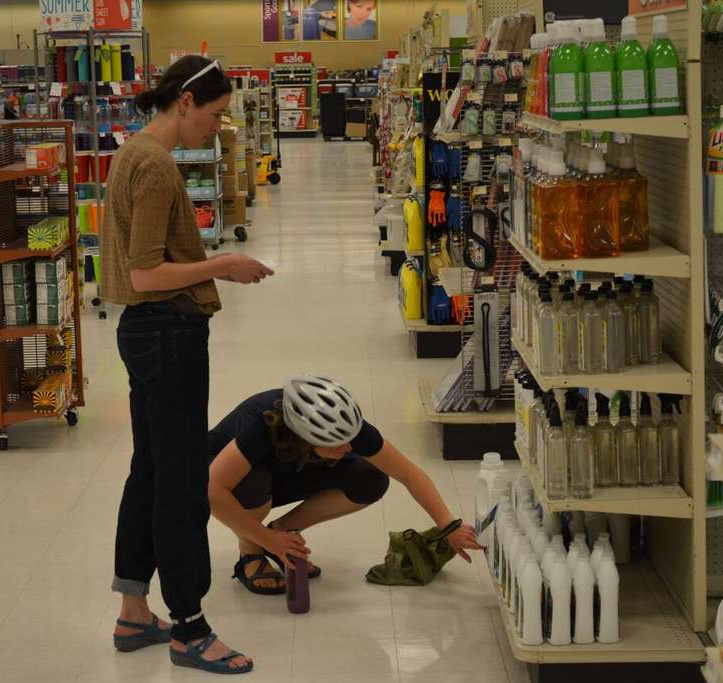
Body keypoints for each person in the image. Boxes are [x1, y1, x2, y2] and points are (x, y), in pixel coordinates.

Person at [100, 55, 273, 675]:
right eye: (216, 115)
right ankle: (190, 629)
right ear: (185, 104)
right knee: (180, 483)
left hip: (146, 334)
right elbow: (147, 273)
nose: (218, 128)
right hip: (167, 332)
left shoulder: (131, 153)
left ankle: (133, 612)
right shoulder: (153, 166)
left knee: (148, 470)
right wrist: (222, 265)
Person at [207, 376, 483, 594]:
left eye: (350, 437)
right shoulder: (261, 426)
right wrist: (263, 540)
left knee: (370, 478)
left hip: (290, 468)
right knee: (254, 482)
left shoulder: (345, 429)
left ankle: (282, 532)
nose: (349, 446)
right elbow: (213, 489)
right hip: (230, 481)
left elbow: (408, 473)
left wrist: (449, 526)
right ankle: (251, 552)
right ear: (307, 435)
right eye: (338, 443)